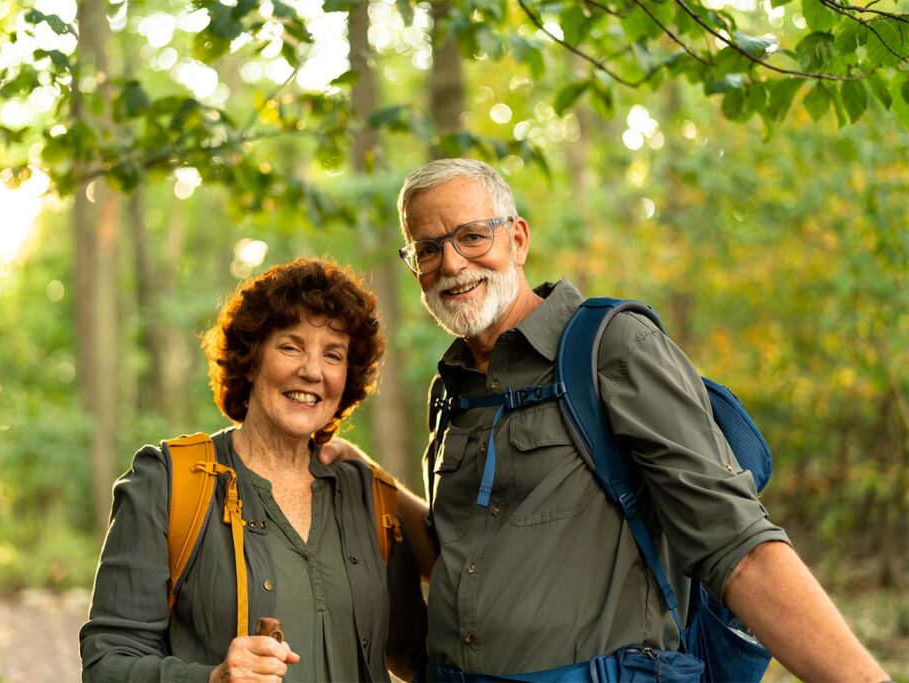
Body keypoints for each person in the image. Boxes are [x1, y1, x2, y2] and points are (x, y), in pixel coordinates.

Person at [330, 158, 890, 682]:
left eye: (472, 236)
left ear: (518, 239)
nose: (451, 264)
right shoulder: (451, 391)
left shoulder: (610, 347)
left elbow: (736, 545)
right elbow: (460, 555)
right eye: (427, 249)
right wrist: (367, 477)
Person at [80, 258, 425, 682]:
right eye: (291, 346)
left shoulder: (368, 497)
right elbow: (107, 664)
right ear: (251, 358)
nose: (313, 371)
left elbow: (418, 656)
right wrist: (213, 679)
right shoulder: (169, 483)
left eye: (332, 355)